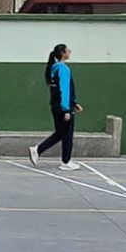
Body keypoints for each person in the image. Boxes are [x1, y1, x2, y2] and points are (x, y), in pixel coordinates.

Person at [29, 43, 82, 172]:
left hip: (55, 105)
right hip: (62, 107)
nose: (70, 51)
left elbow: (59, 90)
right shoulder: (63, 68)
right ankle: (65, 161)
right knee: (67, 134)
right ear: (63, 53)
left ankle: (38, 150)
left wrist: (73, 103)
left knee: (60, 133)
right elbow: (64, 89)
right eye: (67, 50)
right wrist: (67, 109)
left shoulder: (54, 68)